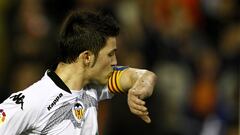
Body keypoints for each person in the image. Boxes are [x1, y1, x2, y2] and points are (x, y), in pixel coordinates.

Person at [0, 10, 157, 135]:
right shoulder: (33, 100)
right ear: (87, 57)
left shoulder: (96, 85)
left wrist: (139, 89)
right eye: (110, 54)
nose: (115, 61)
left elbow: (143, 76)